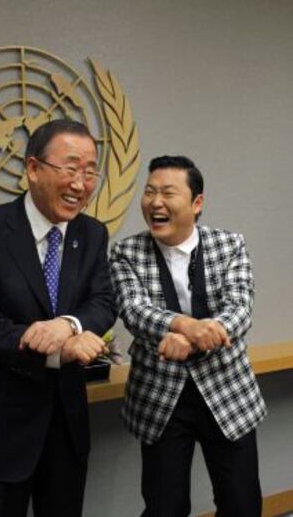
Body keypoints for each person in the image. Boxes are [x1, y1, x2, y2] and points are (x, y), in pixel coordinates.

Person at [0, 119, 117, 517]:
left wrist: (68, 325)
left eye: (91, 171)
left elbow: (104, 301)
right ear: (34, 168)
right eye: (71, 168)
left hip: (65, 429)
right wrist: (59, 348)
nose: (81, 183)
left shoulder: (92, 234)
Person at [110, 155, 267, 517]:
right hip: (161, 399)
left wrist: (197, 335)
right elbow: (133, 309)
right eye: (149, 192)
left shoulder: (229, 244)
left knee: (242, 504)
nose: (155, 202)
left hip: (228, 393)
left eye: (167, 192)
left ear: (197, 203)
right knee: (165, 508)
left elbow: (240, 307)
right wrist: (184, 324)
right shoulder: (126, 252)